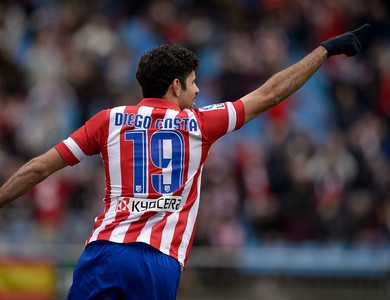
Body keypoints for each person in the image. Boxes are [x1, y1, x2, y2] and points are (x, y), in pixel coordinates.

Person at [0, 23, 370, 299]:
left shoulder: (107, 120)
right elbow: (271, 94)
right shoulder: (199, 124)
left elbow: (38, 168)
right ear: (175, 86)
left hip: (103, 253)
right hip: (158, 262)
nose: (198, 90)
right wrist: (323, 50)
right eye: (193, 82)